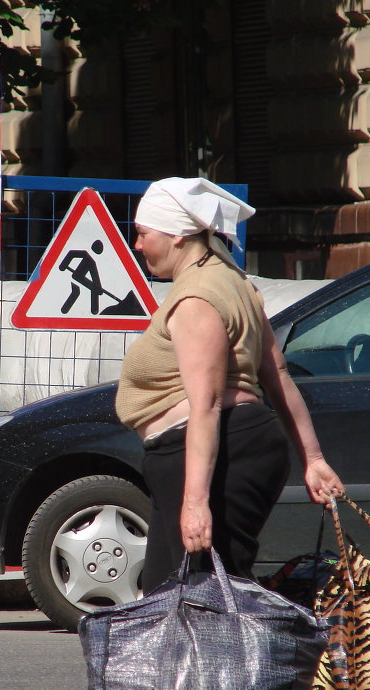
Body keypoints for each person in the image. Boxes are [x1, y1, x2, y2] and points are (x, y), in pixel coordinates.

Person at [115, 177, 344, 591]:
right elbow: (278, 377)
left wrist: (196, 502)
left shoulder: (196, 300)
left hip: (219, 454)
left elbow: (206, 403)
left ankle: (245, 659)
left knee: (204, 598)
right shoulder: (236, 283)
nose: (137, 244)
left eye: (143, 233)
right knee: (172, 593)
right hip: (234, 446)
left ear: (179, 236)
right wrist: (312, 459)